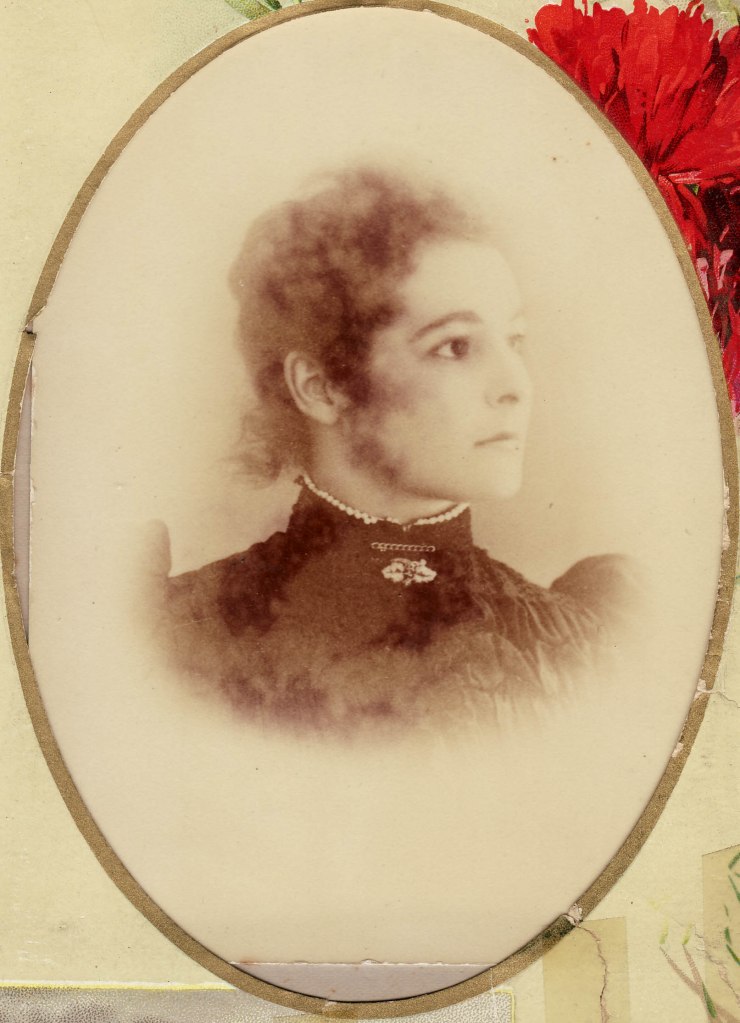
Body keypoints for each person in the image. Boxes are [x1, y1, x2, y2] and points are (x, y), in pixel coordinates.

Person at [159, 165, 637, 736]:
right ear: (322, 388)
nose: (516, 385)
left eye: (515, 340)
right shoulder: (175, 638)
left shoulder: (582, 644)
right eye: (455, 346)